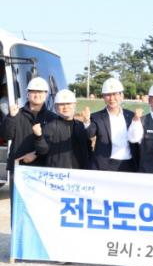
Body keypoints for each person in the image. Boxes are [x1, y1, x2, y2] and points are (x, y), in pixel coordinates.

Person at [0, 76, 58, 224]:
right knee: (18, 209)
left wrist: (36, 154)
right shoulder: (16, 114)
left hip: (43, 169)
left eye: (40, 92)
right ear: (27, 94)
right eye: (33, 91)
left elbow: (53, 144)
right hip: (19, 169)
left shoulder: (52, 118)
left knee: (40, 209)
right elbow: (6, 135)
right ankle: (17, 238)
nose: (37, 95)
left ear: (46, 94)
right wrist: (11, 117)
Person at [83, 78, 136, 172]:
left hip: (129, 163)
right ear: (103, 97)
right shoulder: (96, 117)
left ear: (121, 95)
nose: (112, 98)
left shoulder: (131, 116)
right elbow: (90, 134)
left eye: (115, 94)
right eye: (108, 95)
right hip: (105, 164)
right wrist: (87, 121)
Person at [33, 89, 90, 169]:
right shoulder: (50, 127)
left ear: (75, 105)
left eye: (68, 103)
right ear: (56, 107)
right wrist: (39, 137)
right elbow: (43, 151)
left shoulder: (80, 125)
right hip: (59, 174)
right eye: (61, 104)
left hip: (79, 173)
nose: (65, 107)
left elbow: (88, 149)